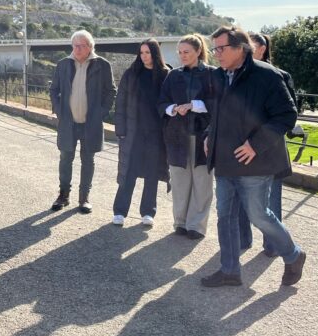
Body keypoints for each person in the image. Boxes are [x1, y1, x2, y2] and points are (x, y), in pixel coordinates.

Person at [201, 25, 306, 287]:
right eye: (214, 49)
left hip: (255, 162)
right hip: (224, 159)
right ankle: (230, 271)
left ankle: (293, 255)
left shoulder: (267, 76)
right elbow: (217, 113)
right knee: (225, 215)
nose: (216, 54)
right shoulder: (218, 76)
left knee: (259, 215)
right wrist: (209, 135)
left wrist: (255, 144)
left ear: (240, 48)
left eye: (221, 48)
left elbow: (286, 116)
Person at [238, 32, 300, 256]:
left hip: (270, 150)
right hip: (242, 150)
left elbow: (288, 113)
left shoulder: (280, 75)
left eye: (249, 45)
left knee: (271, 202)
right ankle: (242, 239)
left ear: (262, 49)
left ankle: (274, 245)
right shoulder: (236, 75)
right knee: (241, 199)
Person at [49, 30, 116, 214]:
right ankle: (63, 195)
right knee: (65, 159)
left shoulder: (102, 65)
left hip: (90, 123)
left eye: (81, 45)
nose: (77, 49)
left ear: (90, 47)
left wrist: (101, 113)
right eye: (75, 45)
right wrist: (59, 111)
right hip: (68, 122)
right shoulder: (63, 64)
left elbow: (111, 91)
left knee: (88, 160)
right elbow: (54, 90)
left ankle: (84, 197)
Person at [157, 34, 216, 240]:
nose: (182, 56)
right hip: (177, 135)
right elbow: (161, 102)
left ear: (198, 51)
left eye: (186, 52)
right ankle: (180, 222)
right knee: (180, 180)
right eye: (180, 52)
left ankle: (197, 226)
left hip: (203, 135)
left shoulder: (212, 74)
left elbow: (219, 103)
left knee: (202, 181)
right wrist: (174, 108)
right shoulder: (173, 76)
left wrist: (195, 105)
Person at [112, 39, 170, 227]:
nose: (144, 56)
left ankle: (148, 212)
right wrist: (120, 128)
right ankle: (120, 211)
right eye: (142, 53)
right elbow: (120, 102)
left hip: (156, 134)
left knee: (152, 174)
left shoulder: (165, 74)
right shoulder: (131, 74)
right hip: (133, 132)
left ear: (155, 53)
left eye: (148, 52)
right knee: (129, 172)